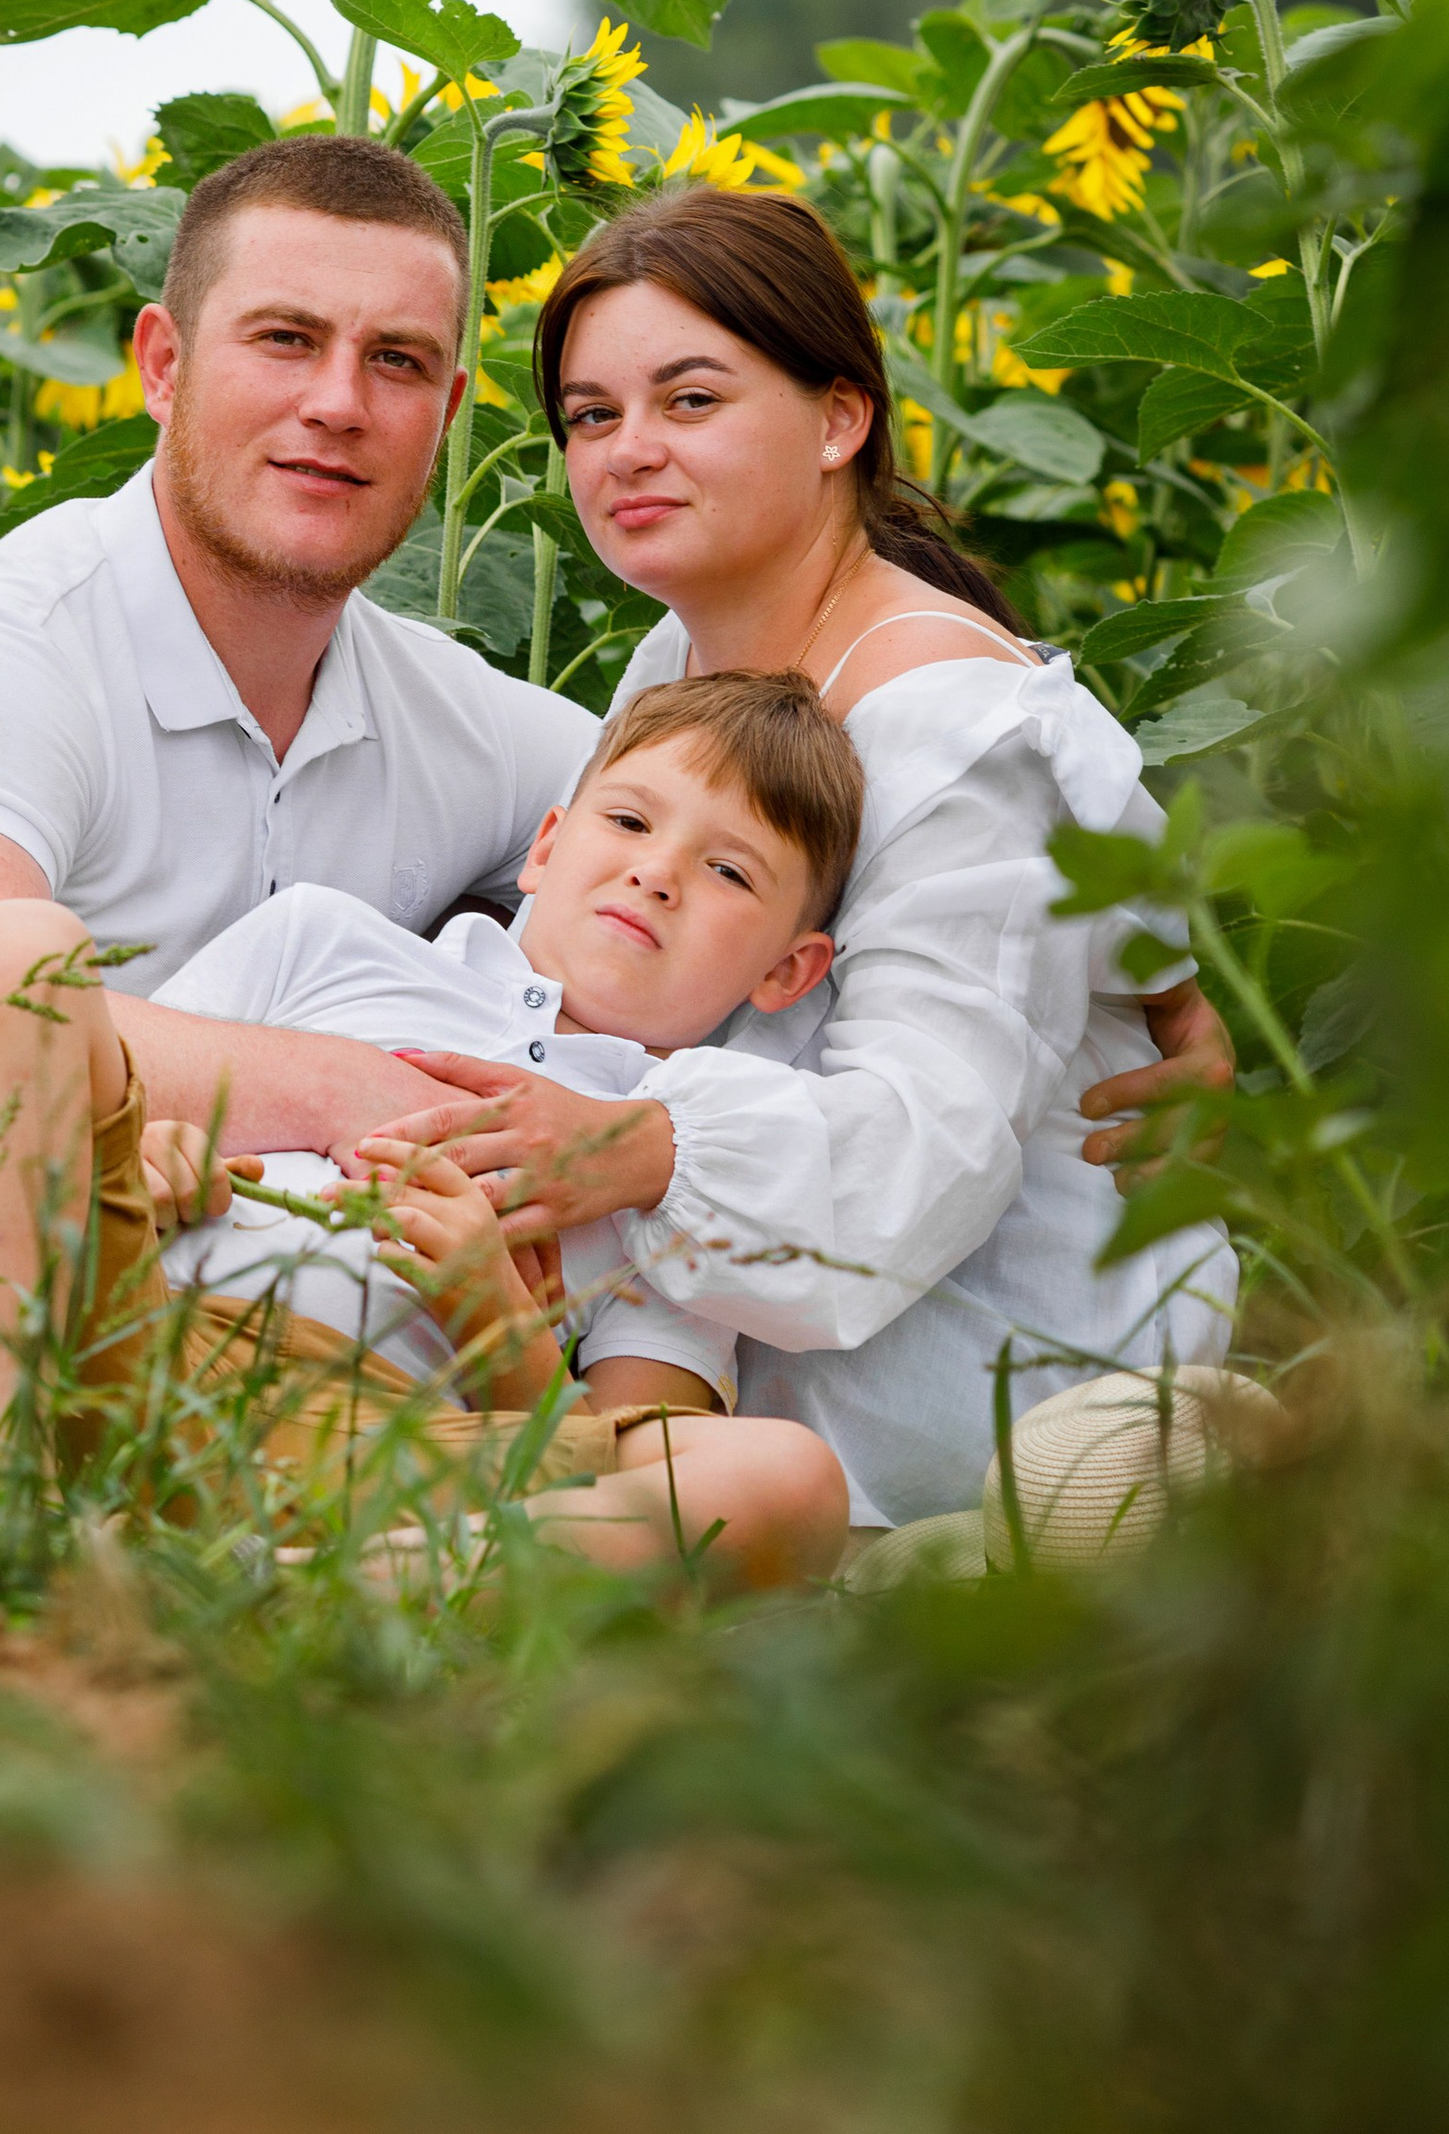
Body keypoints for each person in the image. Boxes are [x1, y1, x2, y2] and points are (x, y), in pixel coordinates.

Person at [359, 188, 1239, 1531]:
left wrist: (631, 1147)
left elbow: (919, 1160)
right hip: (716, 1380)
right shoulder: (689, 652)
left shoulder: (957, 727)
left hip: (992, 1409)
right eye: (592, 415)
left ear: (841, 418)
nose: (629, 451)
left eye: (691, 400)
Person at [0, 136, 598, 1362]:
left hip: (268, 1393)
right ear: (161, 365)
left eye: (398, 362)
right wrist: (355, 1086)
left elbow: (751, 833)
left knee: (745, 1498)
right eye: (285, 338)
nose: (338, 402)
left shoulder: (447, 713)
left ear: (446, 408)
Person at [0, 670, 864, 1587]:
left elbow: (604, 1443)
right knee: (5, 947)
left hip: (376, 1438)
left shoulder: (681, 1155)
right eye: (630, 823)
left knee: (780, 1483)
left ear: (787, 971)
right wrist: (154, 1162)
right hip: (135, 1327)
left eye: (729, 871)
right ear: (547, 845)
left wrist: (491, 1313)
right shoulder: (326, 946)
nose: (657, 872)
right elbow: (92, 1116)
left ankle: (279, 1594)